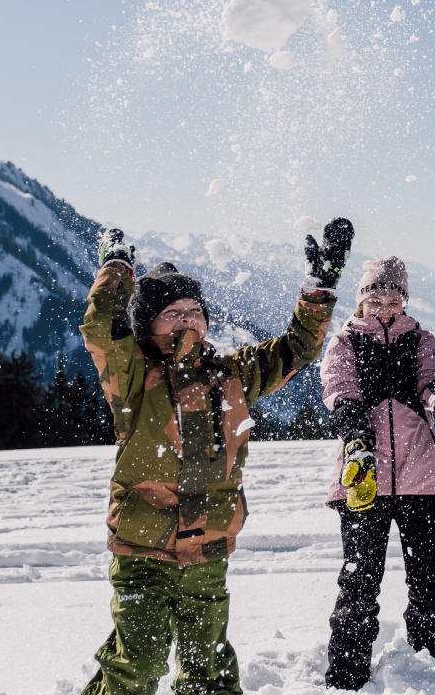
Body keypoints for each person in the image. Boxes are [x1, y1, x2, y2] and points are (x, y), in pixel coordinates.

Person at [77, 220, 351, 695]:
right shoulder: (132, 378)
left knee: (210, 671)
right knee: (137, 666)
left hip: (208, 544)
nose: (186, 318)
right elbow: (103, 329)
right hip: (143, 548)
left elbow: (297, 348)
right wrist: (116, 269)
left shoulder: (232, 374)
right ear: (147, 324)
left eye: (194, 309)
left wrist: (319, 288)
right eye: (172, 312)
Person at [320, 255, 435, 690]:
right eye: (374, 296)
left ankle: (427, 671)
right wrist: (357, 443)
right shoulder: (345, 342)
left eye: (393, 297)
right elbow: (340, 393)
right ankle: (347, 678)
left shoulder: (420, 338)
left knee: (430, 580)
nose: (384, 306)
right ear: (360, 300)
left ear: (404, 300)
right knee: (359, 581)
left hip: (420, 475)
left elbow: (432, 380)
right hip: (362, 475)